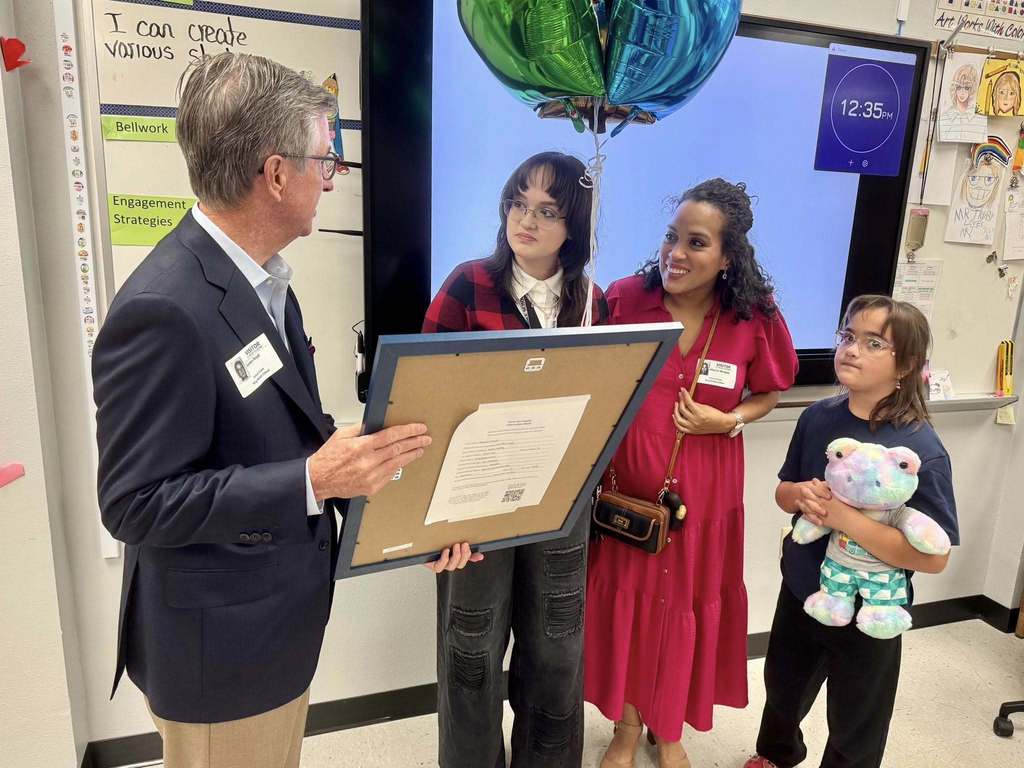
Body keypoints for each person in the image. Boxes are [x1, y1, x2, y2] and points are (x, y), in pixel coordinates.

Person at [92, 52, 444, 768]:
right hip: (219, 658)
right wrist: (314, 479)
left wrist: (409, 511)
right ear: (276, 173)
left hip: (269, 630)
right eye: (325, 159)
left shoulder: (260, 280)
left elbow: (279, 435)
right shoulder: (165, 308)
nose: (331, 178)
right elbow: (134, 503)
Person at [584, 178, 798, 768]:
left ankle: (669, 727)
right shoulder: (625, 299)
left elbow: (771, 391)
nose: (675, 253)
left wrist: (729, 419)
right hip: (630, 490)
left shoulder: (754, 316)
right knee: (633, 608)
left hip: (707, 494)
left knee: (684, 606)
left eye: (696, 243)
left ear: (728, 257)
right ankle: (628, 727)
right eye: (671, 236)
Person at [423, 151, 607, 767]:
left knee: (558, 647)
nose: (526, 220)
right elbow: (426, 400)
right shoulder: (467, 284)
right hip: (475, 503)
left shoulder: (592, 302)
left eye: (548, 210)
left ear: (574, 226)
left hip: (560, 500)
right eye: (517, 203)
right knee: (470, 653)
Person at [743, 295, 959, 768]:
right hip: (804, 590)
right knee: (782, 689)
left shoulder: (919, 449)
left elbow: (934, 556)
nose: (851, 349)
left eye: (873, 343)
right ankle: (776, 754)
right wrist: (799, 495)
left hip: (873, 608)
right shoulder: (818, 417)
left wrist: (847, 520)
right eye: (847, 336)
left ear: (906, 365)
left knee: (857, 717)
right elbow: (783, 492)